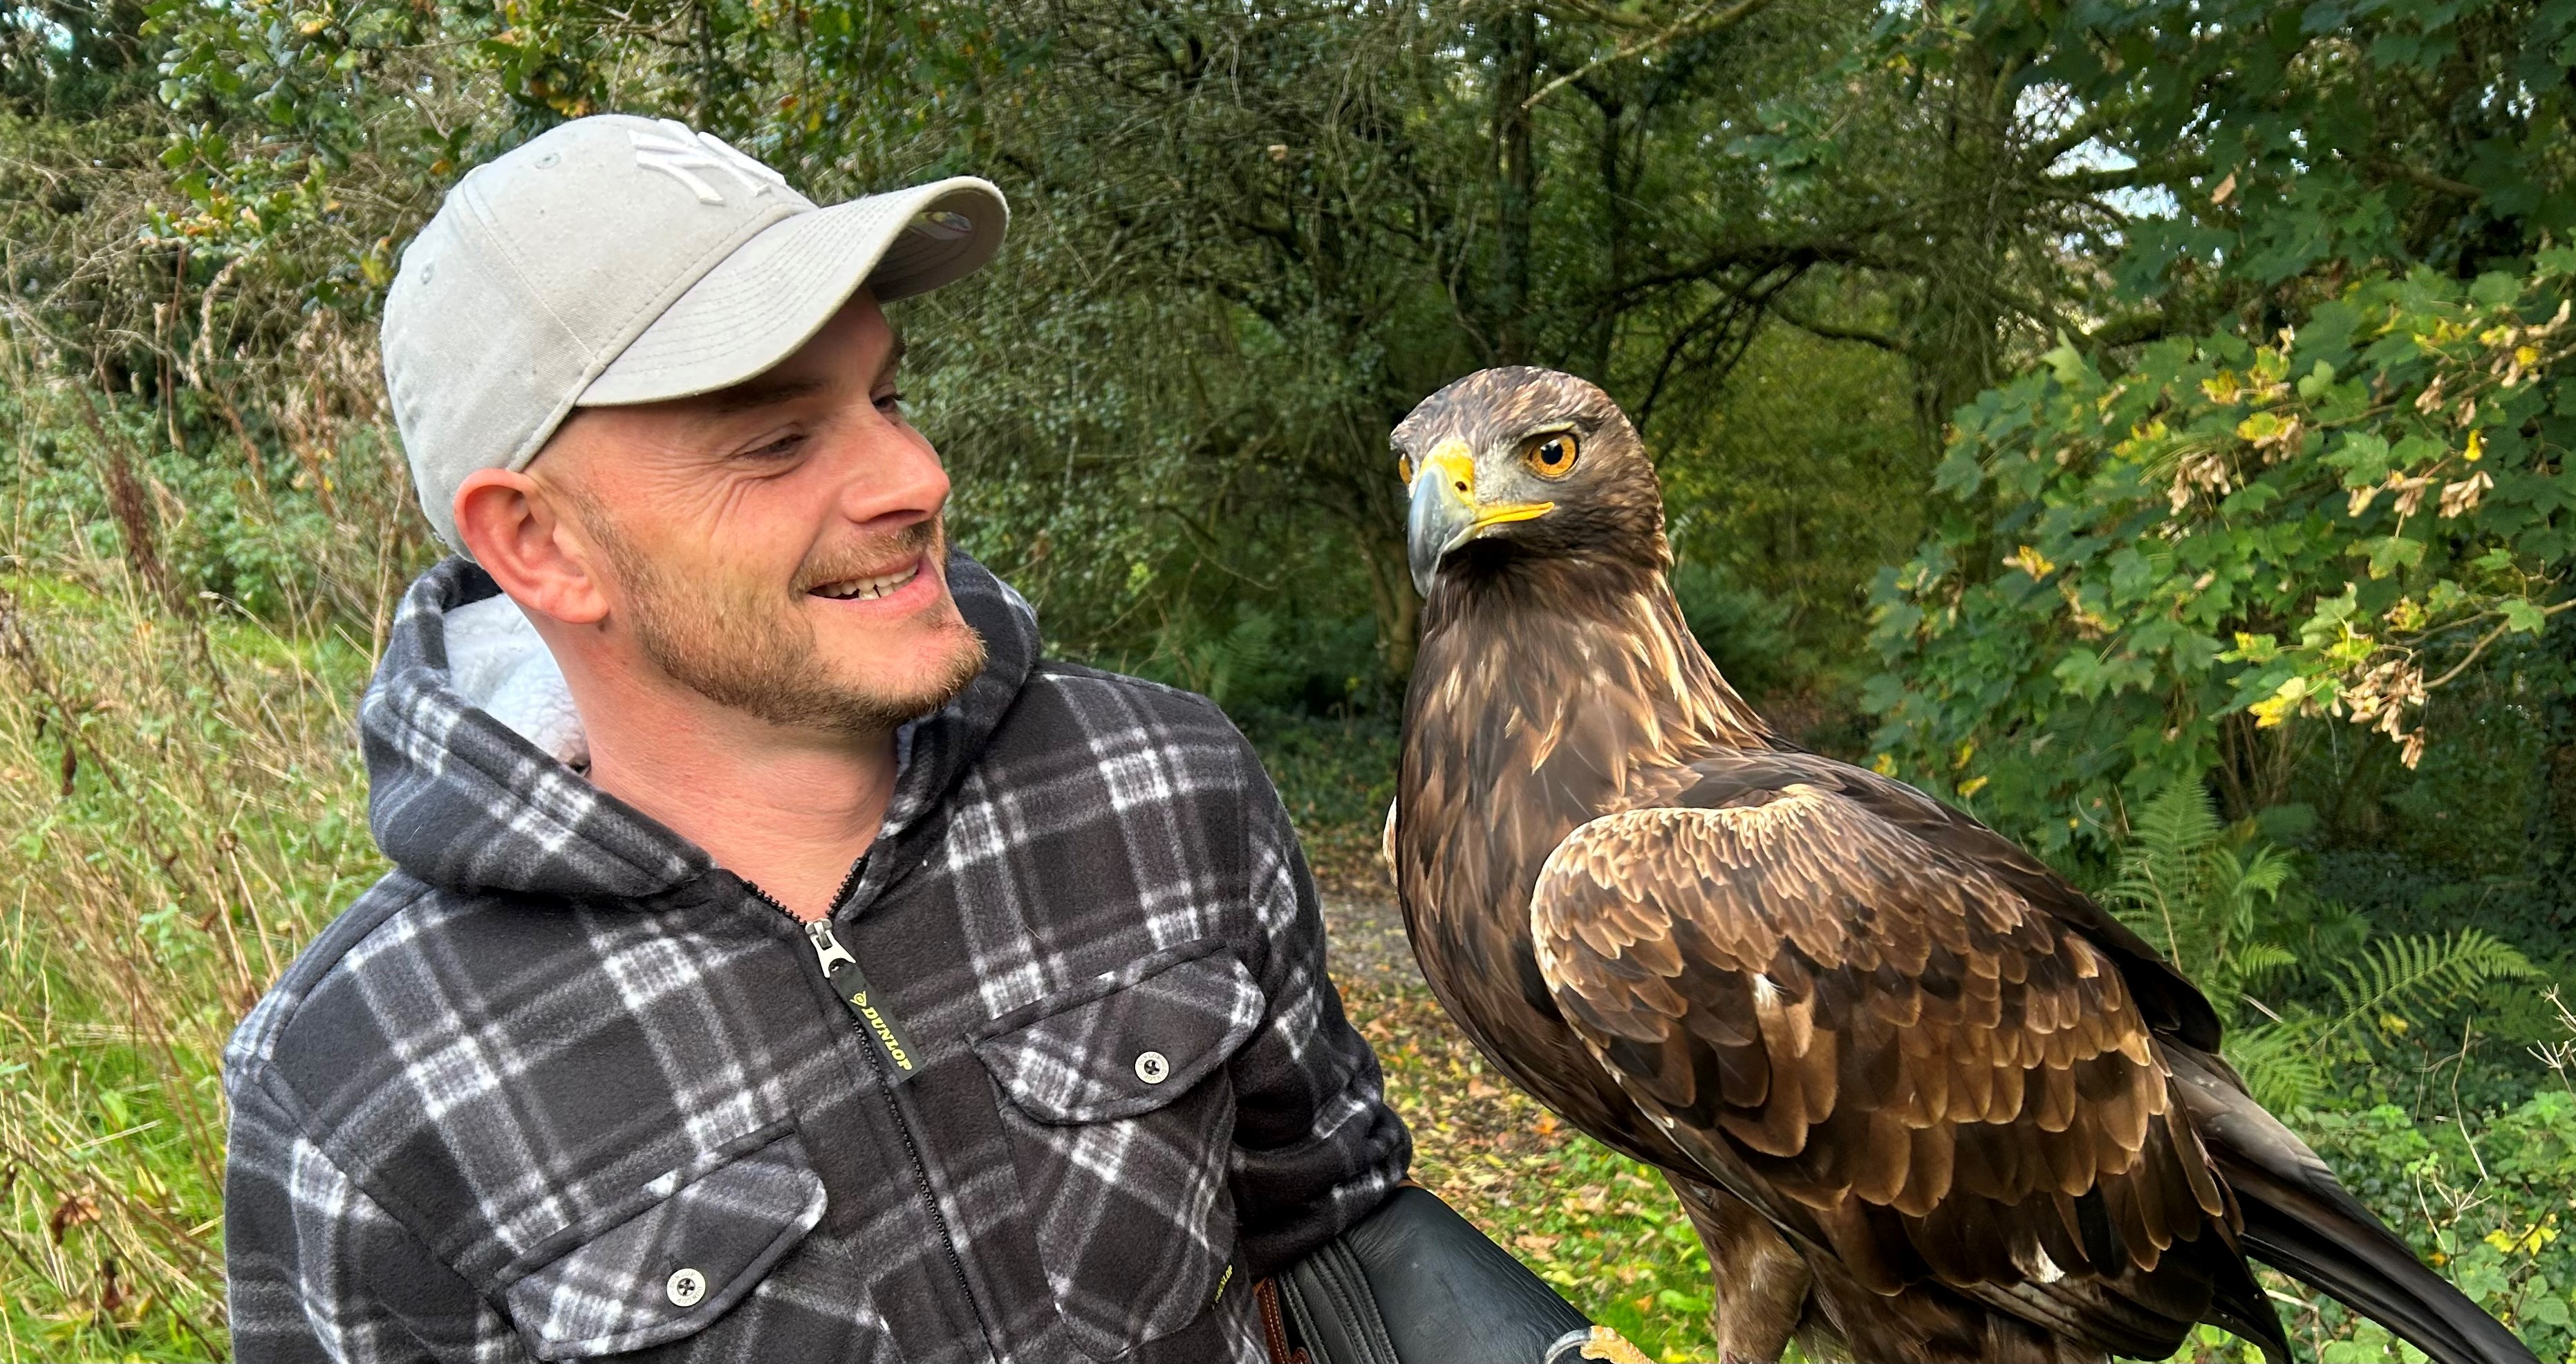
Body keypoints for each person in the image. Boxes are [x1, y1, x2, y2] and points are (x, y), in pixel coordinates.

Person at [221, 113, 1411, 1364]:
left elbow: (1331, 1228)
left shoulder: (1160, 784)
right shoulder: (363, 1084)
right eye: (777, 440)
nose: (914, 476)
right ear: (540, 543)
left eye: (886, 395)